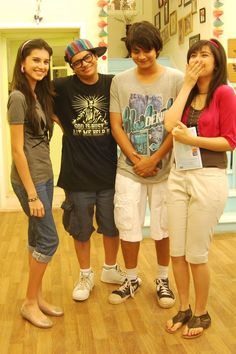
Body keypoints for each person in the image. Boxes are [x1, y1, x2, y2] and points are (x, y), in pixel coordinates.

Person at [108, 21, 184, 306]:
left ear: (157, 49)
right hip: (129, 168)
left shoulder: (176, 79)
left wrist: (154, 158)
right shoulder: (120, 81)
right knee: (127, 224)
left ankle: (163, 279)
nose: (142, 56)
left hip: (166, 169)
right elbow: (116, 125)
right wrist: (137, 158)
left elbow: (176, 125)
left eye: (147, 50)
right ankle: (131, 278)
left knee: (164, 227)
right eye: (136, 51)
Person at [164, 39, 236, 338]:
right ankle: (184, 307)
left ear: (217, 61)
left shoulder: (224, 93)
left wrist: (193, 141)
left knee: (196, 253)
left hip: (208, 176)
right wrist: (187, 84)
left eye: (204, 54)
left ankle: (202, 312)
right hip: (178, 174)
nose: (197, 58)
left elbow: (230, 141)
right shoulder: (188, 91)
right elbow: (170, 124)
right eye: (193, 54)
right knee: (176, 253)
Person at [53, 39, 126, 302]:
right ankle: (85, 274)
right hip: (77, 174)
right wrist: (60, 122)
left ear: (96, 56)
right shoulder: (61, 87)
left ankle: (109, 268)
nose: (84, 64)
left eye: (87, 58)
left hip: (109, 171)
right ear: (72, 67)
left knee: (112, 226)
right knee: (81, 229)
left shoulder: (113, 83)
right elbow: (33, 96)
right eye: (77, 63)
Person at [7, 39, 63, 329]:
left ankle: (38, 297)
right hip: (31, 181)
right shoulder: (18, 97)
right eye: (36, 60)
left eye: (45, 61)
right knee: (49, 240)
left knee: (35, 238)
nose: (42, 66)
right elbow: (17, 150)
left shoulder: (38, 94)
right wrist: (31, 195)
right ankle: (29, 303)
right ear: (22, 64)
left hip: (44, 174)